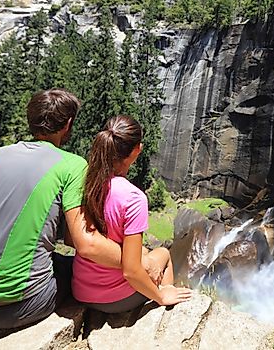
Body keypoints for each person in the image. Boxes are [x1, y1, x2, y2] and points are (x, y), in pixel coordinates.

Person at [0, 89, 125, 329]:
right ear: (68, 124)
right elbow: (86, 243)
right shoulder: (72, 166)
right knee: (77, 269)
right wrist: (138, 261)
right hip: (23, 306)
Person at [72, 115, 192, 312]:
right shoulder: (133, 198)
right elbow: (131, 270)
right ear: (137, 150)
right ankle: (166, 298)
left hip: (80, 289)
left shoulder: (89, 182)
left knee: (147, 253)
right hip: (114, 298)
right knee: (163, 253)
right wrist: (160, 296)